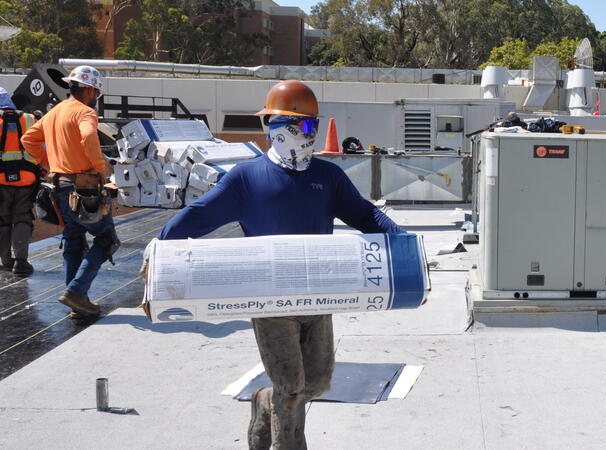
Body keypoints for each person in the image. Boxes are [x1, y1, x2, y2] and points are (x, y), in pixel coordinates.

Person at [156, 80, 405, 449]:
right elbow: (198, 215)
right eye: (302, 126)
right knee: (290, 385)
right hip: (269, 300)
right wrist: (161, 249)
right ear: (273, 125)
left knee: (316, 382)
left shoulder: (327, 177)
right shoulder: (247, 179)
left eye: (313, 126)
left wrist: (404, 244)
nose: (309, 134)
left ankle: (262, 401)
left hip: (320, 296)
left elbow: (365, 215)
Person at [21, 65, 115, 318]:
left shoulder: (55, 112)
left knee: (73, 240)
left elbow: (27, 140)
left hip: (60, 186)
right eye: (95, 92)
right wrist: (100, 168)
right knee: (106, 240)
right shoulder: (84, 113)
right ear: (88, 89)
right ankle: (76, 292)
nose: (96, 97)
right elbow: (88, 137)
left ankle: (77, 303)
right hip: (84, 187)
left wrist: (47, 162)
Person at [0, 88, 40, 276]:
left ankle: (6, 260)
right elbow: (41, 145)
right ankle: (21, 262)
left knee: (2, 220)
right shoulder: (29, 119)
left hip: (1, 181)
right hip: (27, 179)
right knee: (23, 218)